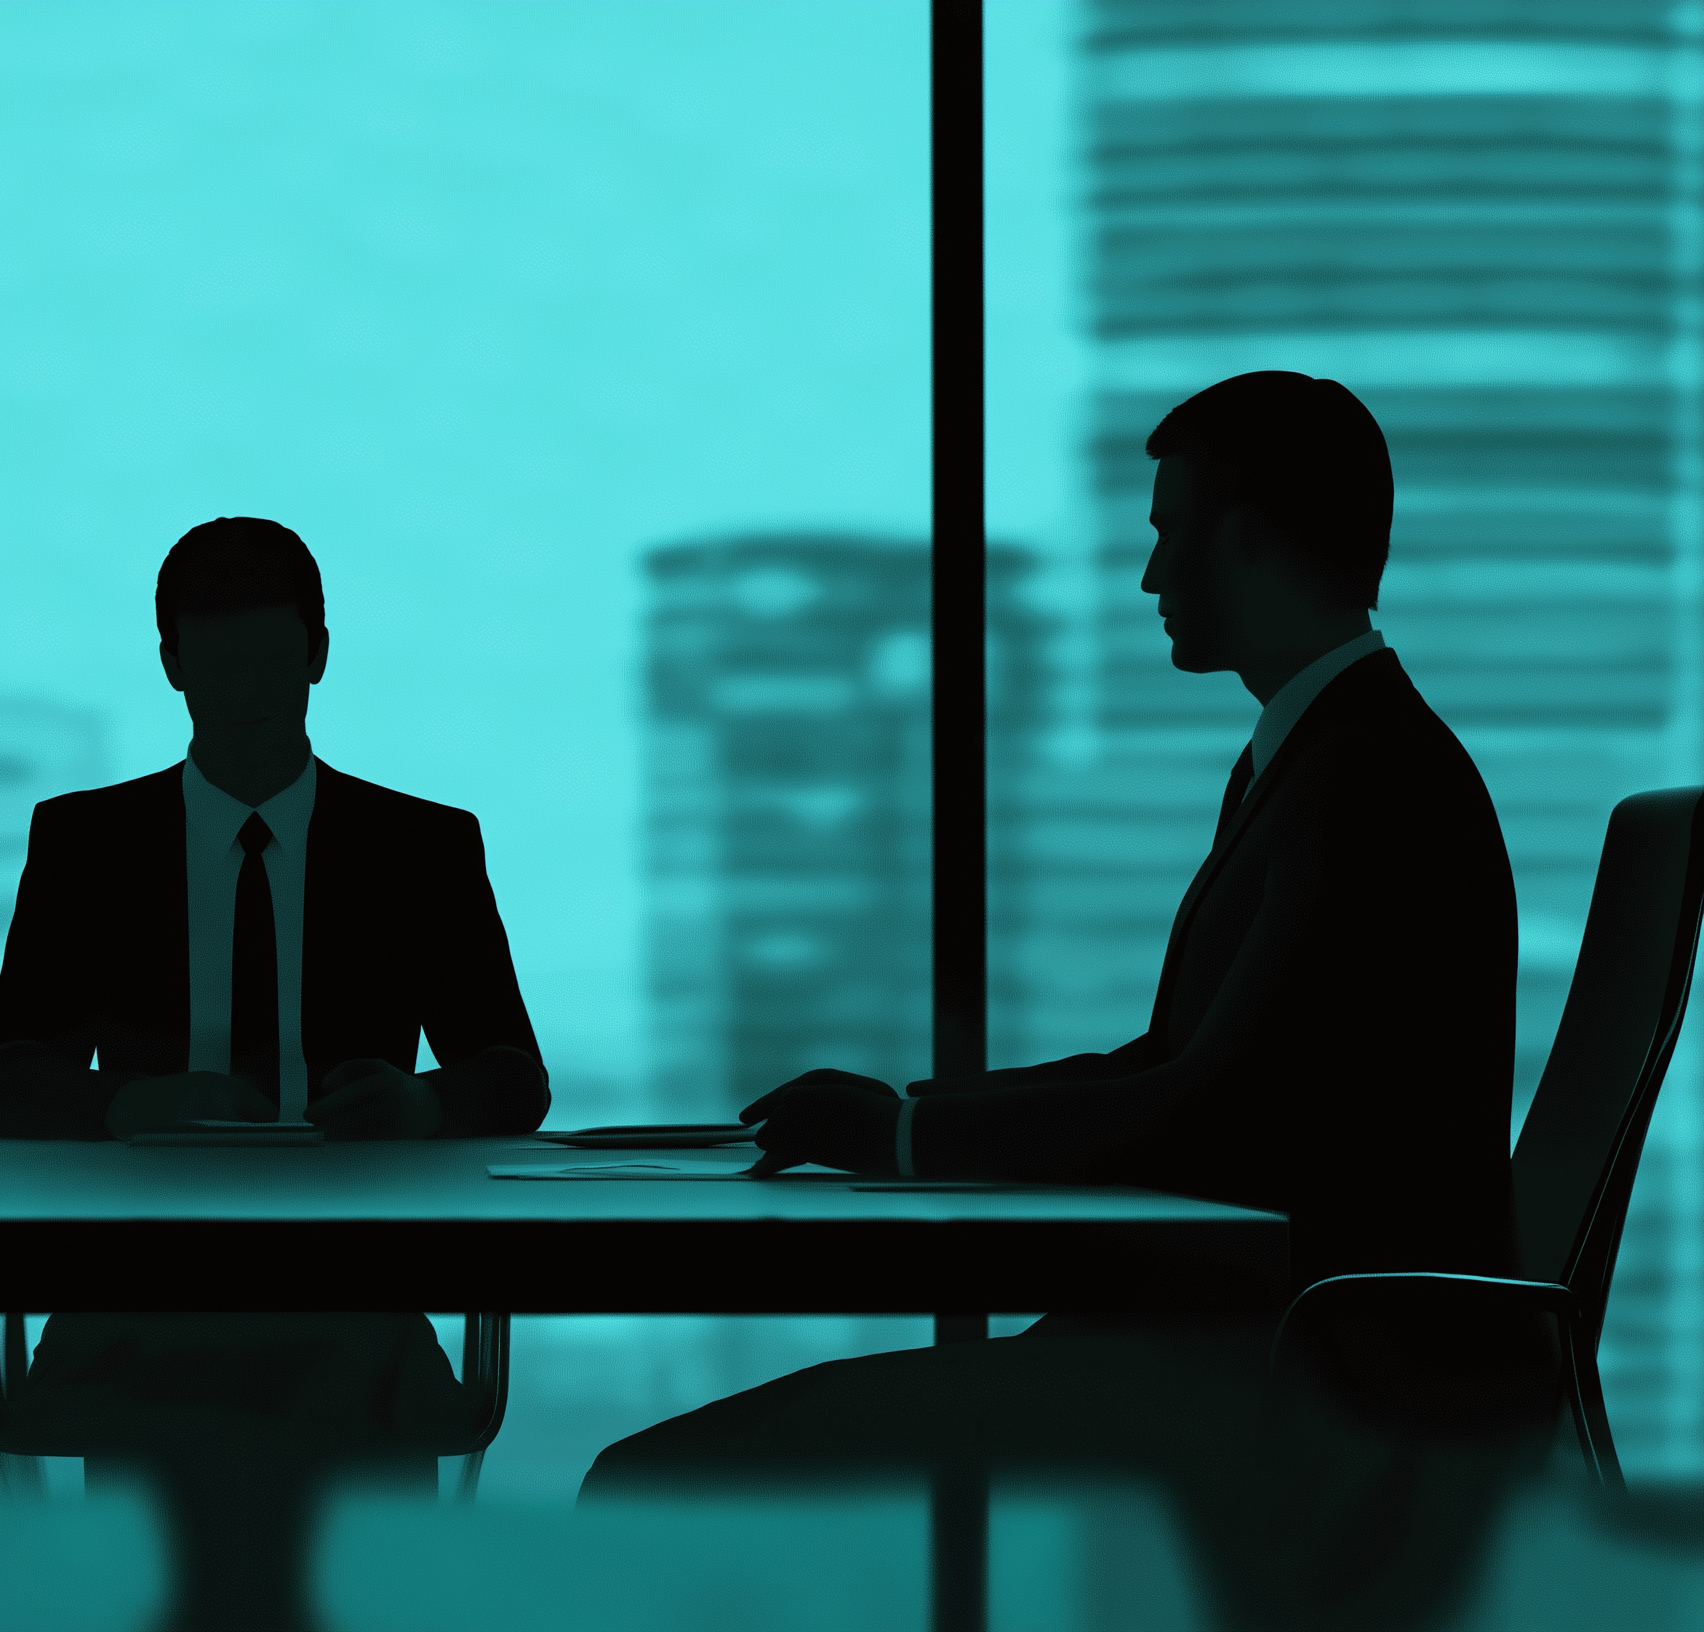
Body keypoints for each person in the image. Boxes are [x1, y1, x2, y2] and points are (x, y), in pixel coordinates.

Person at [584, 374, 1524, 1557]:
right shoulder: (1332, 759)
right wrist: (912, 1115)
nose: (1148, 577)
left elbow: (1207, 1107)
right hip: (1256, 1332)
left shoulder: (1365, 782)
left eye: (1167, 534)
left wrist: (900, 1140)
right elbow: (1177, 1064)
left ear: (1241, 543)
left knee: (654, 1482)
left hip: (1292, 1364)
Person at [0, 516, 547, 1630]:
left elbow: (512, 1073)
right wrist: (127, 1103)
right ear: (171, 665)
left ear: (316, 654)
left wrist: (424, 1103)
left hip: (351, 1289)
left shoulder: (419, 848)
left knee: (348, 1589)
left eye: (267, 653)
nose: (243, 681)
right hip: (138, 1294)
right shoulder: (86, 843)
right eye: (218, 653)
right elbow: (6, 1077)